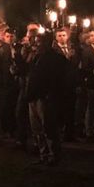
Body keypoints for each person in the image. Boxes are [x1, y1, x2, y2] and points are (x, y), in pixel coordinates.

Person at [26, 32, 68, 165]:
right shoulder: (36, 57)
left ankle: (53, 155)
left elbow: (59, 79)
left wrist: (51, 93)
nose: (37, 45)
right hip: (34, 96)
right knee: (37, 128)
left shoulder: (55, 59)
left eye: (39, 42)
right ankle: (43, 154)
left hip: (45, 97)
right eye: (36, 42)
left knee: (48, 127)